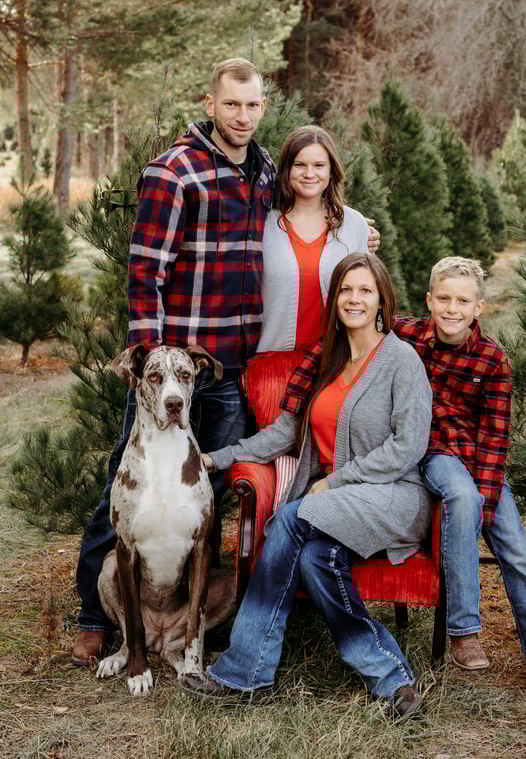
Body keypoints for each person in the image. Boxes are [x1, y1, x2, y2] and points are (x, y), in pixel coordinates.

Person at [71, 64, 379, 666]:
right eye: (232, 105)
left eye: (253, 105)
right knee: (129, 486)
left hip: (234, 370)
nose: (243, 116)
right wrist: (150, 369)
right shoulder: (173, 171)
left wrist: (360, 234)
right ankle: (94, 615)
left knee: (206, 492)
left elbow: (309, 204)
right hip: (175, 374)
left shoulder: (262, 168)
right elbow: (144, 274)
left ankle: (189, 619)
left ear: (263, 108)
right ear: (211, 103)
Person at [179, 253, 432, 719]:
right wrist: (216, 457)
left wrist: (334, 481)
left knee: (291, 518)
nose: (354, 299)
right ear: (334, 298)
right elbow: (282, 434)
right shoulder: (327, 360)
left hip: (394, 497)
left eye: (365, 290)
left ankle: (245, 671)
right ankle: (393, 679)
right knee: (318, 559)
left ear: (382, 300)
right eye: (346, 290)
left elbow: (408, 447)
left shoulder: (401, 360)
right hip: (339, 500)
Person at [393, 256, 526, 708]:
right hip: (431, 455)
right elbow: (361, 304)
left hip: (481, 464)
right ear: (428, 300)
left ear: (480, 307)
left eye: (462, 301)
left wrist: (486, 506)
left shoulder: (494, 360)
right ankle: (465, 630)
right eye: (443, 299)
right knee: (458, 492)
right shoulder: (407, 336)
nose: (451, 309)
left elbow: (496, 440)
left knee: (518, 553)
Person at [257, 124, 370, 355]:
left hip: (336, 362)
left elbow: (368, 293)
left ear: (331, 171)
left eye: (319, 165)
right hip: (270, 361)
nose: (310, 174)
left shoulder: (354, 225)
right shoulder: (263, 223)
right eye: (300, 165)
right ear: (287, 169)